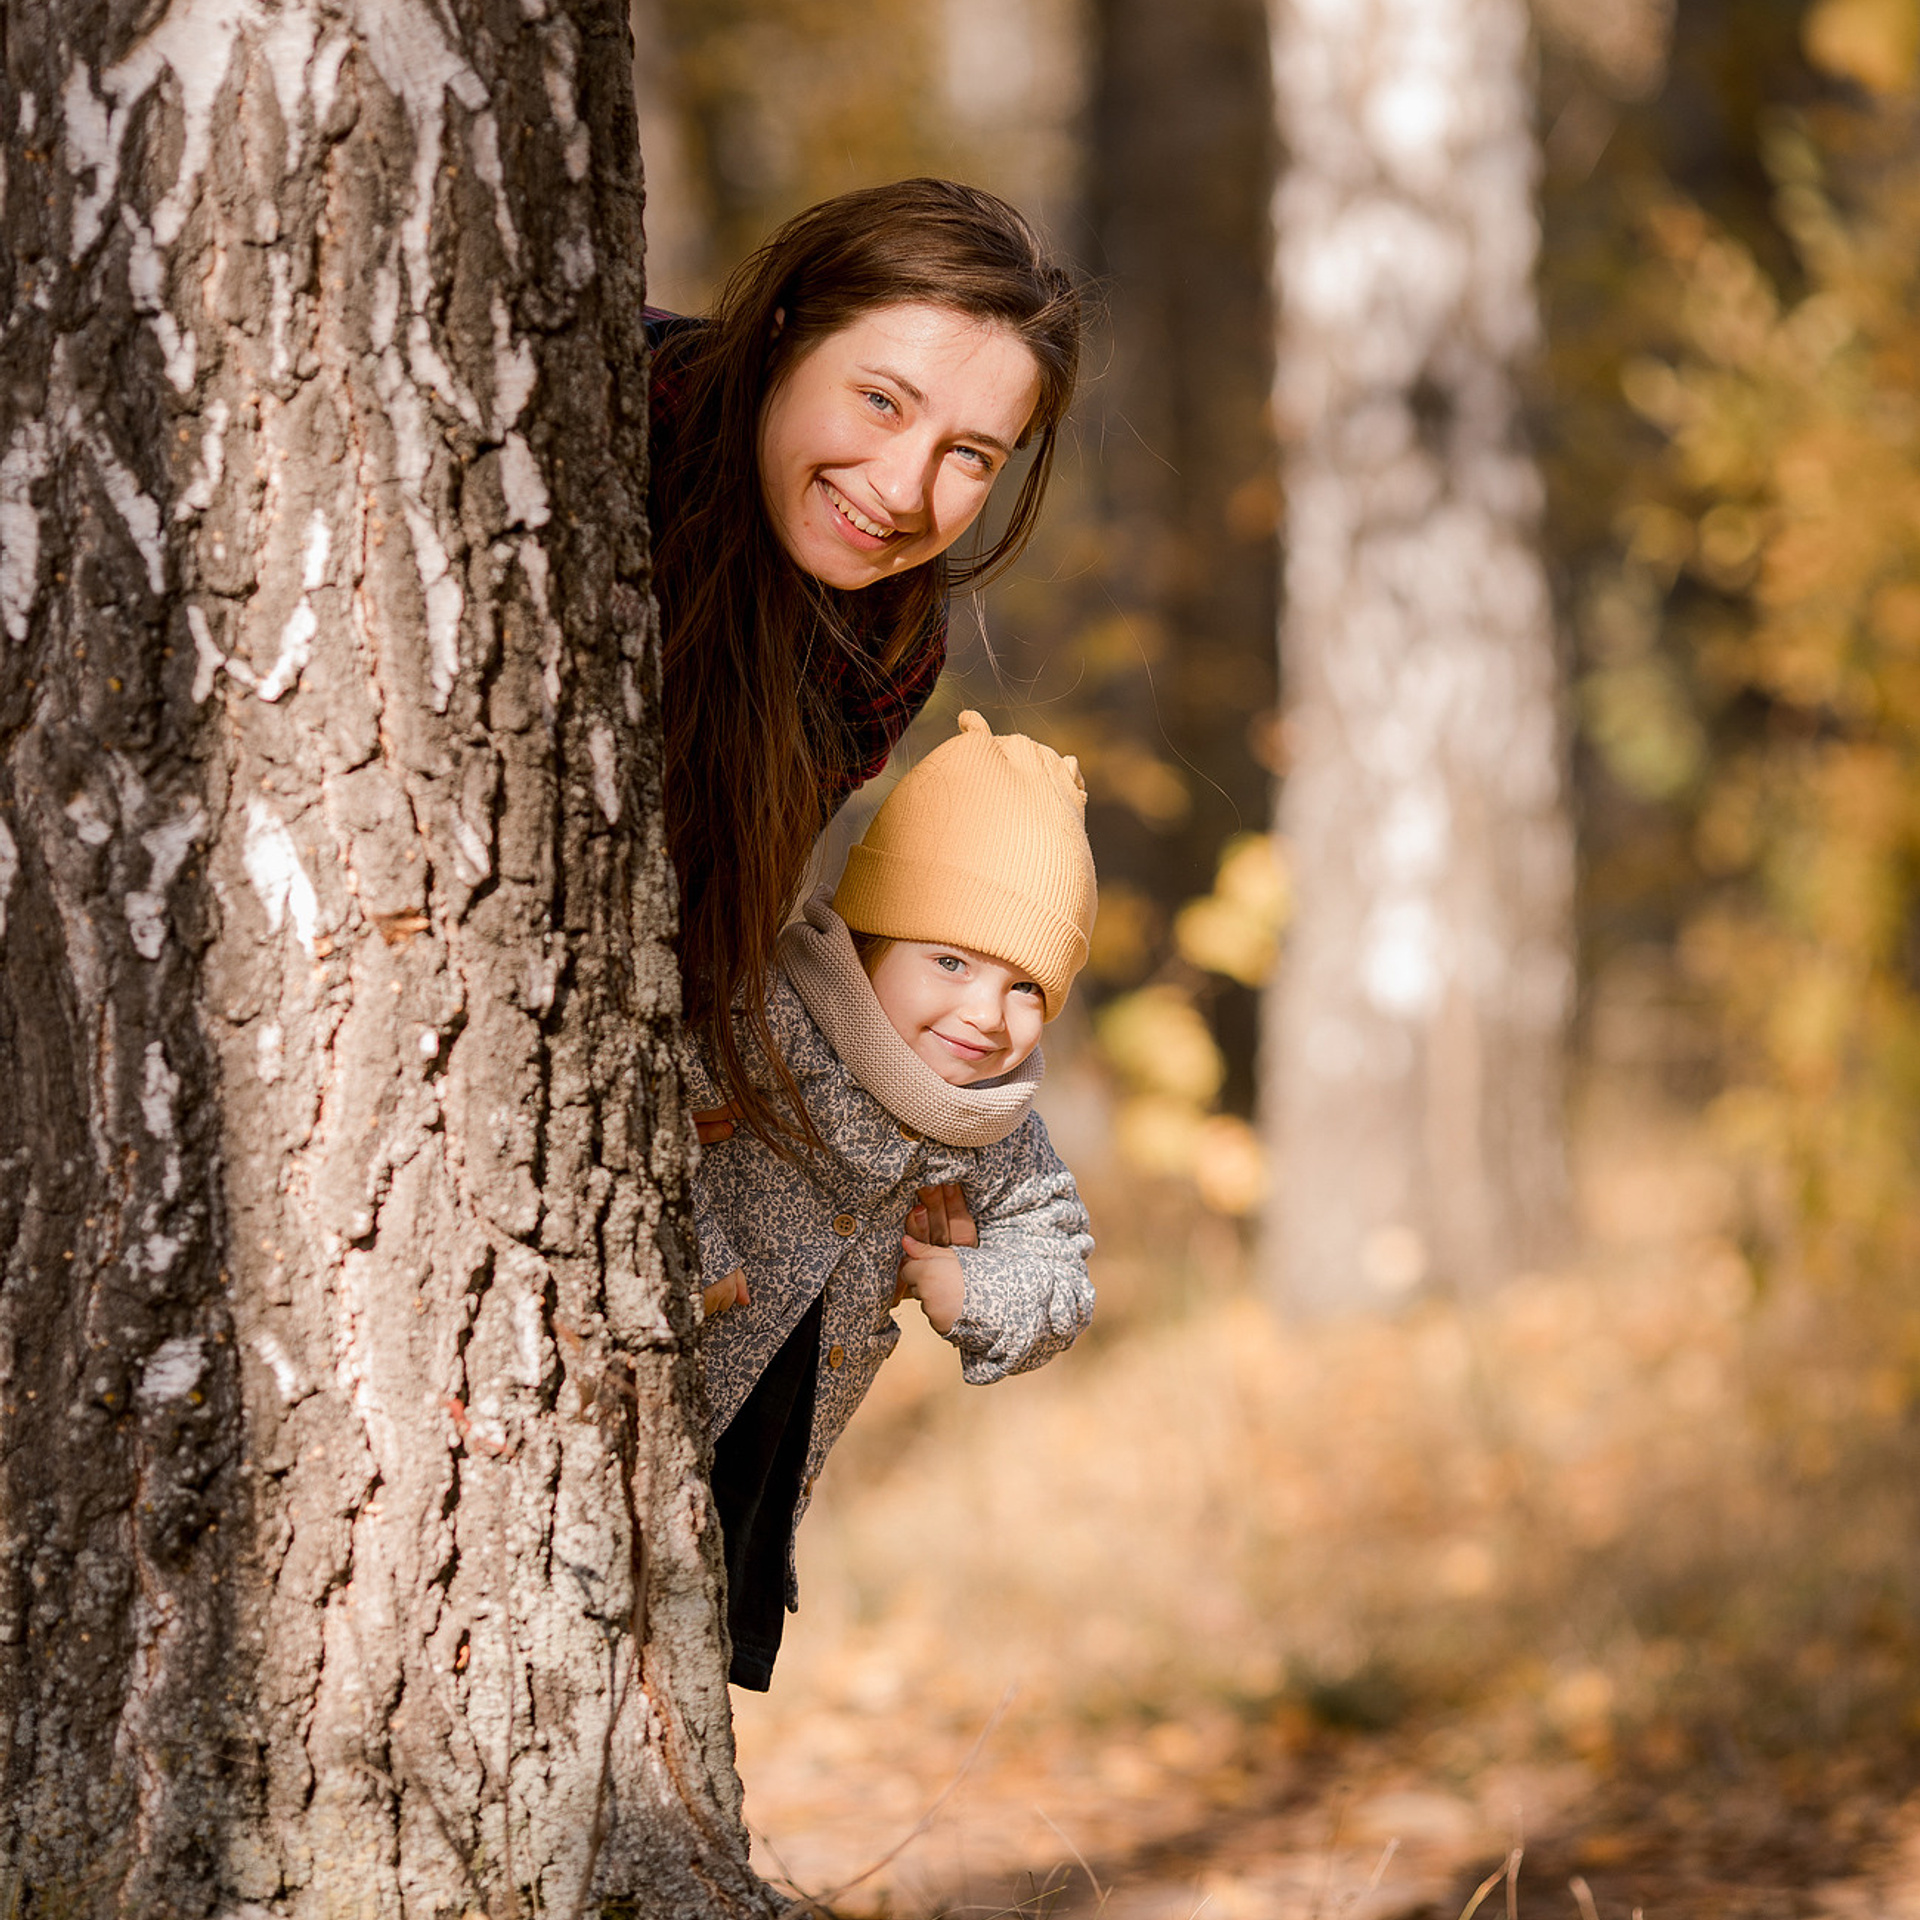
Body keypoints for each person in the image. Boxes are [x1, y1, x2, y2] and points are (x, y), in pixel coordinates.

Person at [647, 179, 1083, 1149]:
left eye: (970, 454)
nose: (901, 490)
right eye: (881, 401)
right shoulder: (608, 414)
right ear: (784, 337)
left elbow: (710, 947)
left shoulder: (885, 634)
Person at [685, 712, 1098, 1689]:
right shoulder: (770, 1017)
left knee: (692, 1663)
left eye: (1025, 988)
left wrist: (977, 1287)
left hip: (774, 1451)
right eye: (950, 961)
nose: (984, 1016)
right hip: (673, 1386)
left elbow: (1058, 1258)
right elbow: (632, 1098)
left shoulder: (990, 1120)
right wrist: (688, 1253)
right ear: (871, 938)